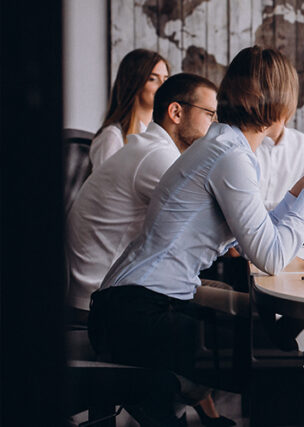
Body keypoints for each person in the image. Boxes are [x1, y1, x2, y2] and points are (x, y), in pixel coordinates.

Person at [87, 46, 304, 425]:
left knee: (277, 349)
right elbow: (270, 254)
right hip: (136, 314)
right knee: (278, 366)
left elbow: (258, 233)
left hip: (133, 306)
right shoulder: (229, 156)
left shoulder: (224, 147)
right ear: (280, 105)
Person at [69, 73, 235, 425]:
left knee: (215, 299)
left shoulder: (147, 147)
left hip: (110, 287)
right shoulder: (158, 157)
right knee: (221, 315)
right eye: (210, 114)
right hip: (106, 297)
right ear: (176, 112)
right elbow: (220, 220)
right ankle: (177, 400)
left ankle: (190, 407)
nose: (215, 125)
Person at [90, 49, 169, 169]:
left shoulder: (161, 134)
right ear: (134, 82)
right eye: (153, 79)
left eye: (165, 79)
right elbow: (103, 186)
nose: (163, 87)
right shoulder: (112, 137)